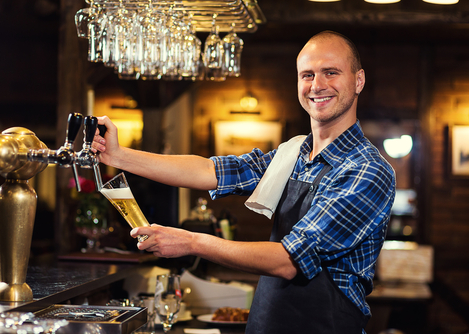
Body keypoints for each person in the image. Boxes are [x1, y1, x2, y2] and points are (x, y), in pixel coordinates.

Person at [92, 30, 396, 334]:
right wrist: (118, 156)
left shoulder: (366, 170)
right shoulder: (293, 153)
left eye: (331, 72)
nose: (317, 85)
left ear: (358, 80)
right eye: (307, 75)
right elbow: (207, 171)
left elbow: (288, 260)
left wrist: (191, 242)